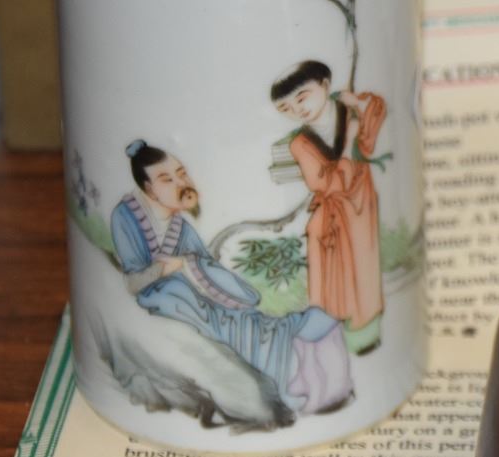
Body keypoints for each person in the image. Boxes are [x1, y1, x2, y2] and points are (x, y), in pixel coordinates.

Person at [110, 141, 352, 415]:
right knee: (193, 303)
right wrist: (167, 269)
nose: (181, 183)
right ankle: (296, 380)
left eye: (182, 173)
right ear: (149, 189)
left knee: (265, 324)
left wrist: (189, 265)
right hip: (176, 303)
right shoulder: (126, 217)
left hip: (210, 305)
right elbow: (133, 283)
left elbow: (208, 268)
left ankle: (310, 377)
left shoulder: (181, 228)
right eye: (167, 180)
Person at [270, 61, 386, 354]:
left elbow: (375, 118)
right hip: (332, 215)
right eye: (286, 108)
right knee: (333, 279)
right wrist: (348, 143)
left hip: (360, 205)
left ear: (325, 85)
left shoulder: (350, 112)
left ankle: (366, 338)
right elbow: (325, 183)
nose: (298, 110)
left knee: (364, 272)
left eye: (302, 98)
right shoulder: (301, 143)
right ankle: (332, 343)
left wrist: (356, 103)